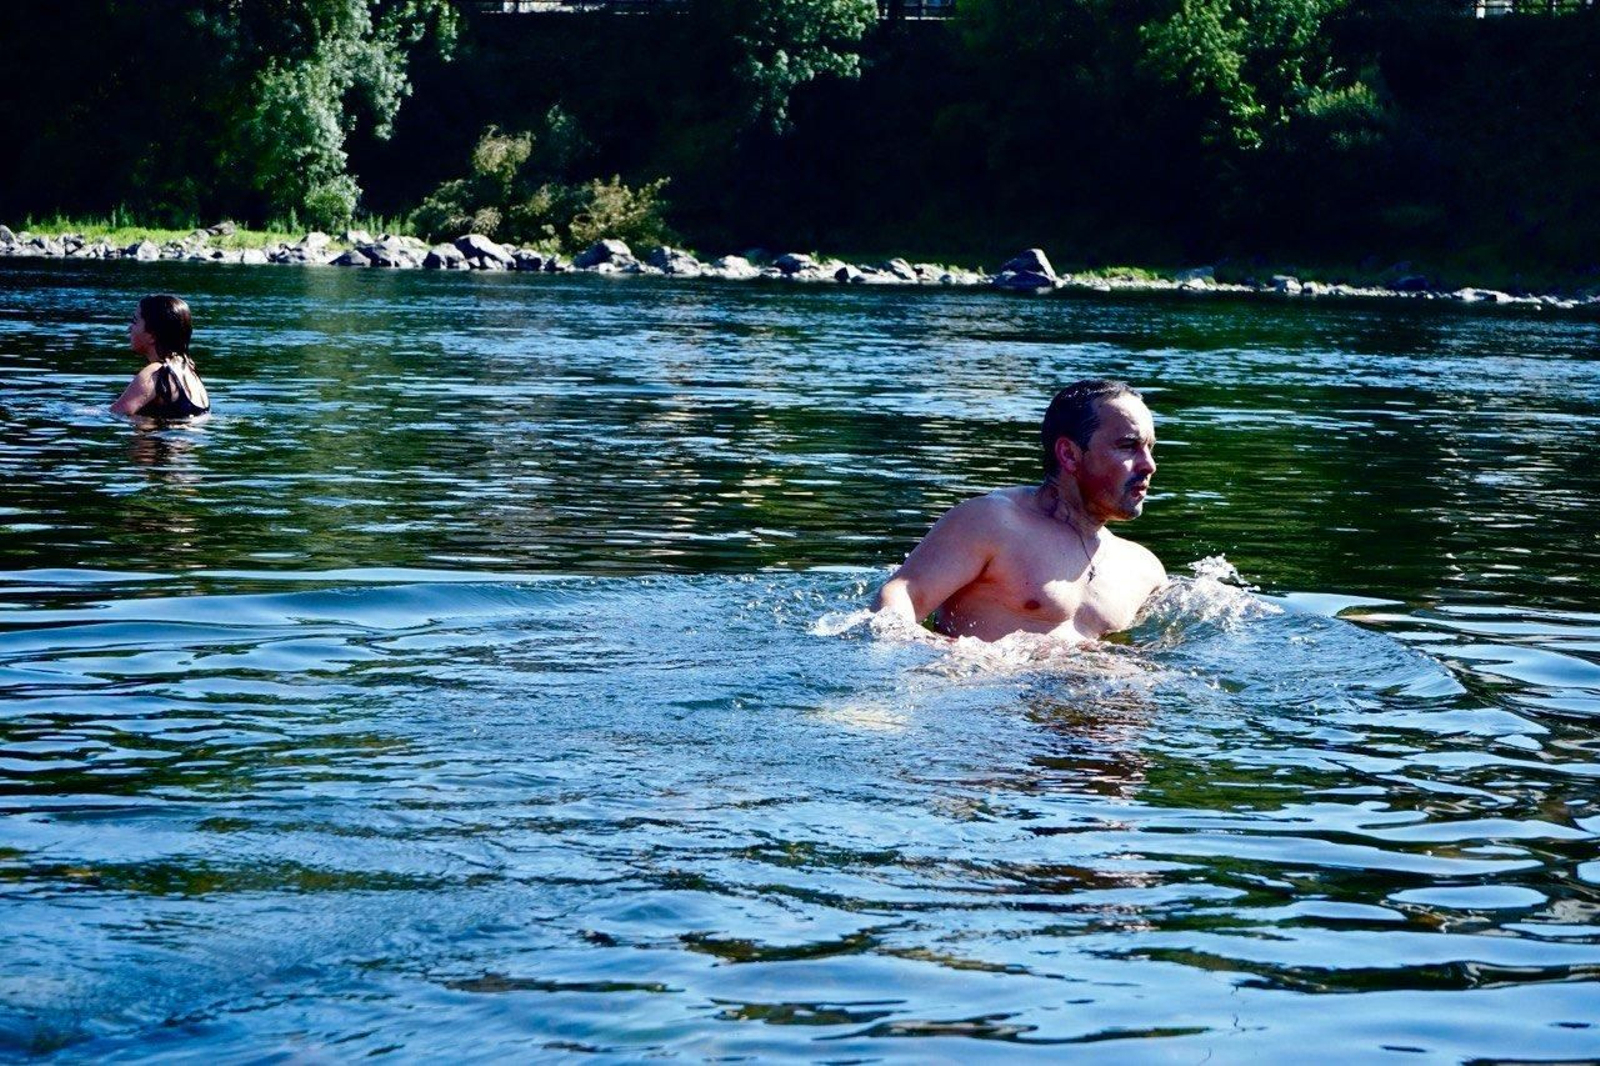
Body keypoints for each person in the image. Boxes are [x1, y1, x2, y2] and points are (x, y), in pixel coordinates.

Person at [874, 379, 1165, 642]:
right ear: (1069, 454)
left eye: (1150, 448)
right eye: (1128, 446)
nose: (1149, 465)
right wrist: (960, 658)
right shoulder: (991, 522)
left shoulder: (1144, 571)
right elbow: (897, 603)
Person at [111, 294, 210, 418]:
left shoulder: (155, 374)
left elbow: (115, 414)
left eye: (135, 321)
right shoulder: (189, 368)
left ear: (152, 336)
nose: (129, 328)